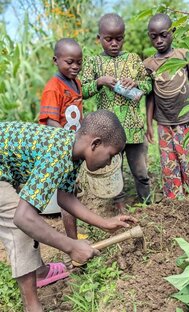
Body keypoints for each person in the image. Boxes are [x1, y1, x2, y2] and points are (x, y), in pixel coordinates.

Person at [0, 109, 134, 312]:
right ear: (95, 144)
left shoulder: (71, 149)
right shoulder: (58, 154)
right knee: (20, 225)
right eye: (111, 155)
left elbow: (65, 197)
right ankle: (32, 306)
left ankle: (37, 273)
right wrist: (71, 247)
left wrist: (105, 223)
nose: (109, 162)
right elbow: (23, 217)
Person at [81, 13, 152, 210]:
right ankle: (119, 205)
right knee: (114, 170)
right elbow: (82, 91)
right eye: (108, 39)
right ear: (99, 39)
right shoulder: (93, 62)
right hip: (108, 131)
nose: (114, 44)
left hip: (133, 128)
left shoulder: (133, 59)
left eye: (118, 39)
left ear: (124, 38)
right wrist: (99, 82)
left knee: (140, 171)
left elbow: (148, 85)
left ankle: (147, 204)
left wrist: (136, 82)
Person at [144, 13, 189, 199]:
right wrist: (149, 124)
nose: (159, 40)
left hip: (187, 119)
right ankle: (175, 200)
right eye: (153, 36)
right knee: (168, 161)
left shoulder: (184, 55)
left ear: (172, 32)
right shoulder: (149, 64)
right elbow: (149, 96)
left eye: (163, 35)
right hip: (164, 122)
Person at [39, 38, 83, 246]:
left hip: (73, 147)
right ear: (56, 60)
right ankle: (72, 240)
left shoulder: (76, 83)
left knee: (71, 191)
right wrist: (70, 141)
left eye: (79, 62)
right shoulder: (53, 88)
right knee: (66, 195)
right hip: (61, 148)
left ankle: (73, 235)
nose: (75, 67)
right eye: (69, 62)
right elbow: (50, 121)